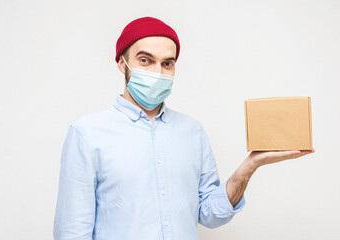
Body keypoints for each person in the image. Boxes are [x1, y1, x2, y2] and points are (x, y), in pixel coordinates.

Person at [53, 16, 315, 240]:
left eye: (167, 63)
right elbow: (73, 232)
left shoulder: (192, 132)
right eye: (145, 60)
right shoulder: (87, 134)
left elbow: (209, 214)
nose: (158, 71)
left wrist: (250, 165)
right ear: (122, 64)